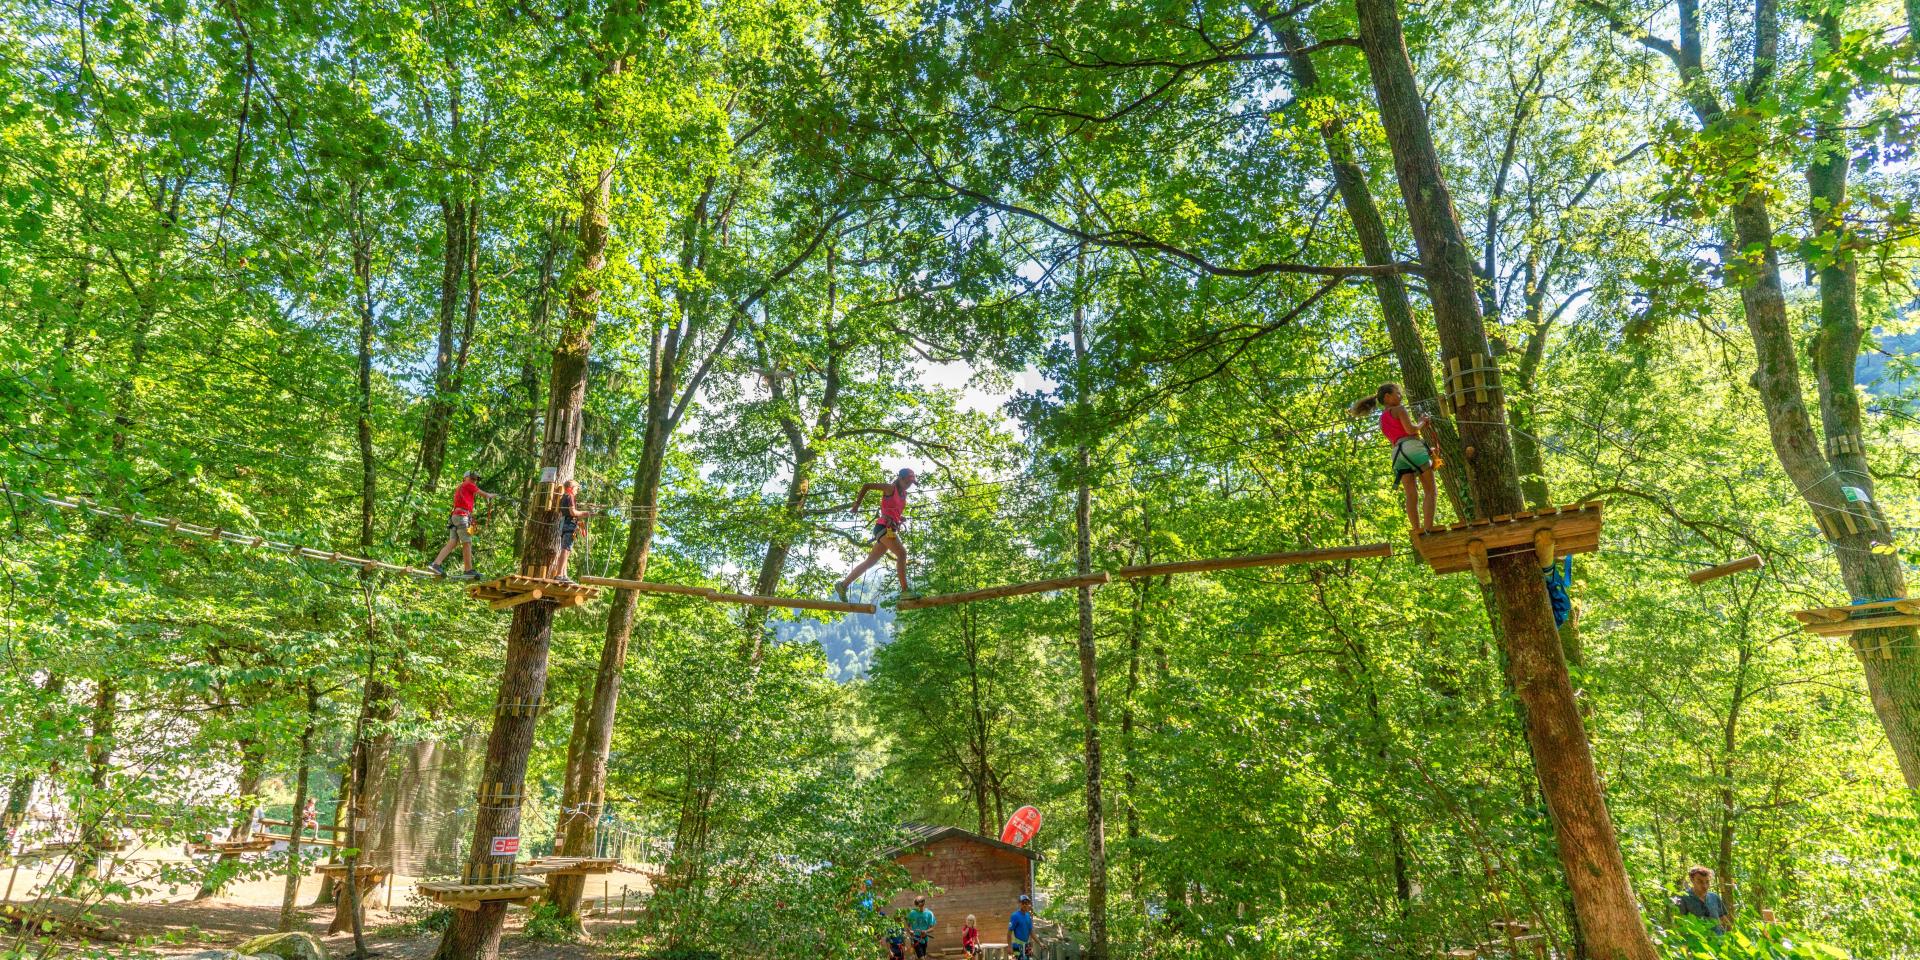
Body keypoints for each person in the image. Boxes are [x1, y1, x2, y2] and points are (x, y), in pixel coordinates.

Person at [1350, 383, 1437, 534]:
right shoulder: (1399, 409)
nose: (1400, 396)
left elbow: (1396, 436)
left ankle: (1416, 530)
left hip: (1398, 454)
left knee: (1411, 494)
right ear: (1387, 397)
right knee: (1431, 491)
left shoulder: (1382, 419)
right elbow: (1410, 430)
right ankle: (1428, 530)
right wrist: (1423, 421)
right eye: (1397, 393)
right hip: (1412, 448)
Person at [835, 468, 916, 601]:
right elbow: (867, 486)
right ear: (900, 478)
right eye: (907, 481)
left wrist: (899, 518)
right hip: (883, 527)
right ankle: (905, 591)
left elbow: (892, 509)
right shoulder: (890, 488)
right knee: (902, 554)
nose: (909, 485)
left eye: (911, 483)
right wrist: (857, 504)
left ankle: (843, 585)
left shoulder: (903, 495)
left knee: (870, 562)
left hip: (890, 528)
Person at [429, 471, 498, 579]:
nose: (474, 481)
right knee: (467, 542)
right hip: (462, 516)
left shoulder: (462, 487)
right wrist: (491, 495)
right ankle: (468, 570)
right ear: (465, 478)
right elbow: (486, 495)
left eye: (475, 480)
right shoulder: (467, 484)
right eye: (472, 478)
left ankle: (435, 564)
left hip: (456, 516)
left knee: (453, 542)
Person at [550, 479, 591, 582]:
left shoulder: (564, 497)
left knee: (567, 550)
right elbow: (572, 512)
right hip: (569, 524)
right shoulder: (570, 496)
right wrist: (584, 513)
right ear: (570, 488)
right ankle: (560, 574)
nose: (577, 491)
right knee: (565, 549)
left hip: (565, 523)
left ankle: (564, 575)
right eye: (576, 488)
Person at [1675, 865, 1732, 935]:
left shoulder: (1714, 897)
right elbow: (1680, 925)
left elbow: (1724, 920)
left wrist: (1732, 938)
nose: (1704, 886)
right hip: (1697, 943)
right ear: (1692, 880)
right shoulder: (1683, 898)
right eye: (1700, 882)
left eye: (1707, 882)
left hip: (1719, 942)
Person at [1008, 893, 1035, 960]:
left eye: (1027, 903)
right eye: (1023, 903)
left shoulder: (1028, 916)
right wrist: (1010, 947)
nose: (1025, 905)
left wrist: (1040, 944)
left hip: (1027, 945)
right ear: (1020, 904)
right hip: (1017, 945)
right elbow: (1009, 932)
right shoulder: (1014, 916)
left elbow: (1031, 932)